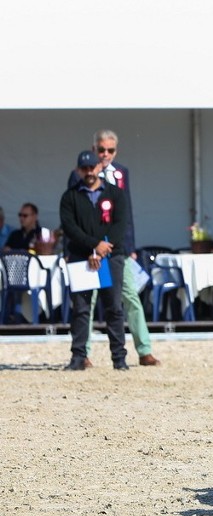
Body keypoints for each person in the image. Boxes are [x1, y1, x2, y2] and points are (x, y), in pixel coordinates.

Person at [68, 130, 161, 367]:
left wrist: (129, 245)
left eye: (110, 150)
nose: (105, 154)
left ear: (116, 151)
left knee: (130, 296)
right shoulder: (79, 175)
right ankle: (84, 353)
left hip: (117, 247)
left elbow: (126, 213)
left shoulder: (121, 173)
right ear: (94, 149)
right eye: (101, 150)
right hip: (90, 249)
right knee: (87, 301)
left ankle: (144, 349)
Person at [60, 150, 129, 371]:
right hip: (82, 257)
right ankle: (79, 356)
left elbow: (120, 225)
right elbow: (70, 228)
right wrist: (92, 247)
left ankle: (119, 358)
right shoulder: (69, 197)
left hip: (110, 256)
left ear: (99, 167)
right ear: (78, 170)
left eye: (92, 167)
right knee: (81, 308)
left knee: (114, 308)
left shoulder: (116, 194)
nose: (89, 172)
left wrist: (101, 250)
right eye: (85, 169)